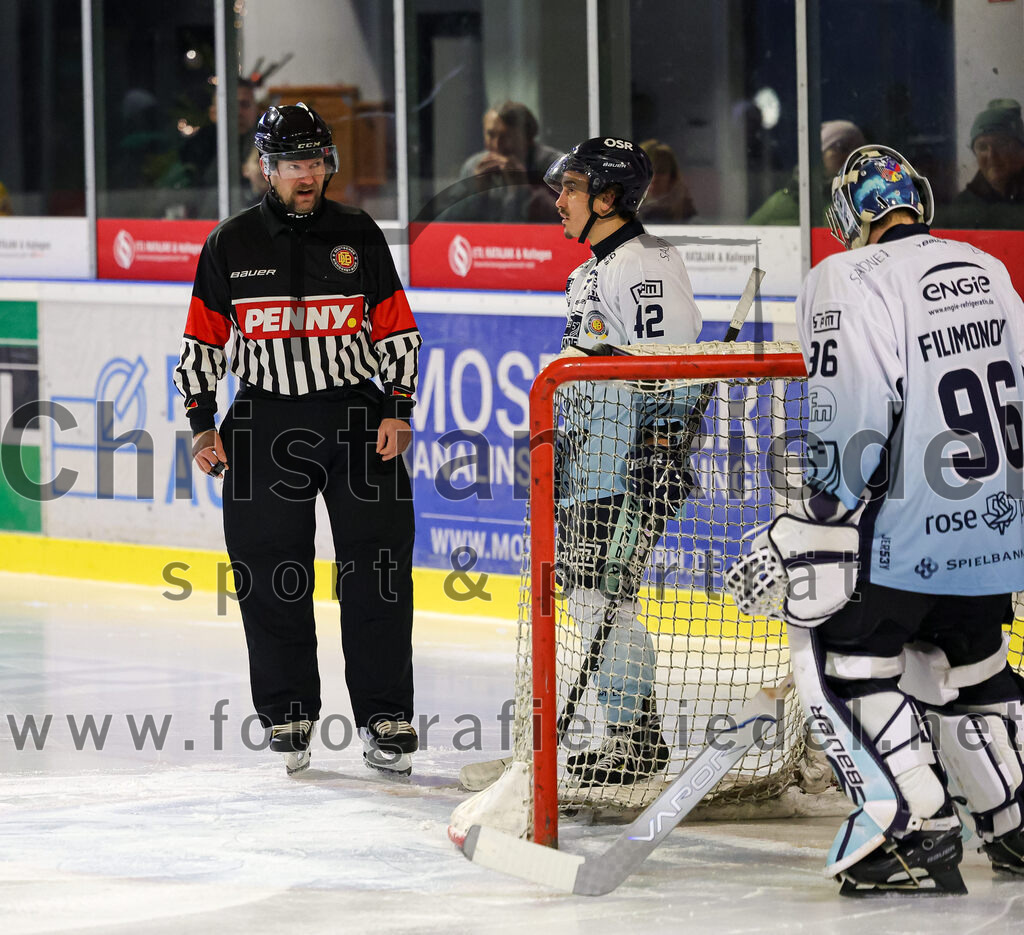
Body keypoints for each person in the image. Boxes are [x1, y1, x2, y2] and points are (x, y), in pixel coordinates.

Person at [730, 144, 1024, 895]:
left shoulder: (847, 277)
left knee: (838, 657)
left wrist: (812, 524)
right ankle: (1013, 815)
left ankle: (909, 826)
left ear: (849, 217)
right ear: (918, 201)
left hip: (907, 531)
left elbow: (852, 419)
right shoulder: (985, 268)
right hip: (996, 524)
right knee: (973, 661)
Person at [173, 103, 422, 778]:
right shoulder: (230, 243)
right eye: (291, 164)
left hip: (355, 417)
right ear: (266, 168)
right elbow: (202, 342)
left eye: (313, 162)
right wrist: (203, 422)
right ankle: (288, 711)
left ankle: (385, 715)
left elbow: (396, 329)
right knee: (269, 569)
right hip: (264, 420)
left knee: (376, 568)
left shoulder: (358, 233)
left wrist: (397, 408)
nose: (304, 175)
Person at [542, 137, 703, 784]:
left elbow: (670, 364)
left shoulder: (646, 263)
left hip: (627, 467)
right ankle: (627, 734)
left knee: (606, 602)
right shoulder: (589, 270)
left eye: (573, 189)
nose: (560, 201)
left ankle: (637, 740)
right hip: (589, 466)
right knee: (589, 600)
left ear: (608, 198)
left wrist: (661, 448)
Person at [440, 101, 561, 222]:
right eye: (491, 135)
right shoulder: (473, 166)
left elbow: (566, 221)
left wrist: (523, 191)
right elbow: (445, 222)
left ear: (527, 138)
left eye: (507, 136)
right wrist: (476, 192)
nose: (497, 145)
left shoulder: (554, 166)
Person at [748, 120, 865, 225]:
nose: (851, 156)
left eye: (859, 150)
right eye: (841, 147)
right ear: (819, 156)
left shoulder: (868, 198)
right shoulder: (782, 204)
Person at [942, 98, 1024, 229]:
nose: (991, 155)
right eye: (982, 147)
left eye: (1000, 144)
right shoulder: (960, 210)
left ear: (1020, 150)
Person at [638, 139, 697, 222]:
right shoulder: (623, 216)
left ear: (672, 178)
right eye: (647, 171)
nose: (654, 179)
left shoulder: (690, 219)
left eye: (661, 171)